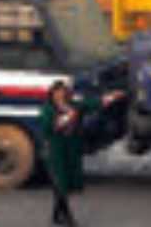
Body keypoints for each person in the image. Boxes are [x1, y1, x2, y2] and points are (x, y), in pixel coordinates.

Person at [39, 82, 121, 226]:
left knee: (67, 182)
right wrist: (67, 118)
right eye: (57, 92)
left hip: (71, 149)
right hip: (56, 149)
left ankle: (56, 215)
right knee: (59, 181)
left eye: (63, 92)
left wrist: (111, 97)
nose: (60, 95)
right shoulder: (48, 109)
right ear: (52, 94)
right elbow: (48, 126)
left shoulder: (75, 105)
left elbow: (93, 104)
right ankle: (68, 217)